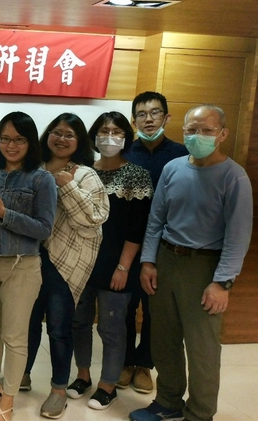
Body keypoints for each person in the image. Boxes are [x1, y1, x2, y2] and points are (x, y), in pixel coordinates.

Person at [129, 105, 252, 421]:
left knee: (202, 348)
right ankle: (168, 401)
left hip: (205, 268)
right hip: (166, 261)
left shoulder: (234, 177)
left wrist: (222, 282)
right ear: (183, 131)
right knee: (164, 339)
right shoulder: (173, 168)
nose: (199, 136)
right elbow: (156, 219)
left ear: (222, 134)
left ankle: (199, 413)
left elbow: (238, 235)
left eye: (207, 130)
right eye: (192, 130)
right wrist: (148, 262)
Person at [0, 112, 56, 420]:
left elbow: (44, 228)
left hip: (22, 267)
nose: (11, 145)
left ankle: (8, 400)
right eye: (5, 139)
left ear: (31, 142)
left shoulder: (42, 179)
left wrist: (5, 214)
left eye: (19, 139)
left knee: (15, 336)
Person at [23, 113, 110, 419]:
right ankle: (22, 373)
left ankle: (59, 389)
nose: (61, 139)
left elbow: (95, 218)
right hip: (29, 257)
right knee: (27, 322)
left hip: (64, 263)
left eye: (69, 135)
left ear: (79, 142)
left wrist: (69, 187)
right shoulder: (33, 168)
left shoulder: (85, 174)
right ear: (47, 134)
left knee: (59, 328)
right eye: (57, 132)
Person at [68, 111, 153, 412]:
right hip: (81, 263)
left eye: (117, 132)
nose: (109, 137)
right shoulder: (81, 171)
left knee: (112, 327)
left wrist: (123, 267)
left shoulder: (137, 176)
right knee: (79, 323)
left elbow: (137, 229)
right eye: (104, 131)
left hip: (117, 265)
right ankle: (83, 376)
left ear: (126, 138)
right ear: (93, 136)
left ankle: (108, 386)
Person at [118, 91, 187, 394]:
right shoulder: (124, 153)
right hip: (127, 242)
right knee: (124, 305)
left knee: (154, 307)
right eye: (142, 114)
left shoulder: (183, 154)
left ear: (166, 117)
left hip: (164, 242)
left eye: (155, 112)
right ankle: (124, 361)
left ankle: (144, 363)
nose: (149, 119)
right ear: (134, 121)